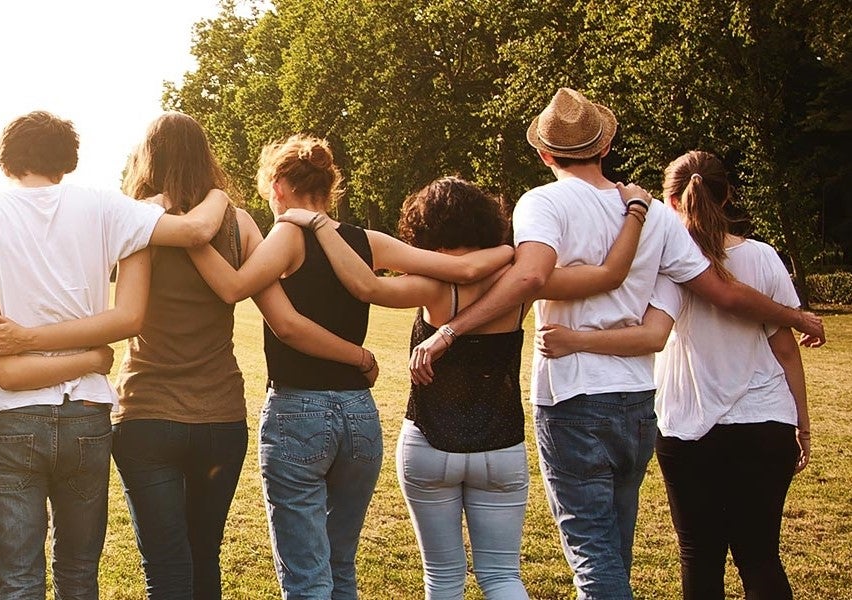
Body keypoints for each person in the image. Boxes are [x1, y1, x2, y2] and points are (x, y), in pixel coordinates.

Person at [408, 88, 825, 599]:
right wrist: (795, 314)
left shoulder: (543, 202)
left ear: (544, 153)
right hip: (635, 402)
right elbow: (724, 292)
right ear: (605, 146)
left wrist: (449, 330)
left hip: (572, 398)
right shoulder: (655, 216)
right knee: (613, 554)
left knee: (594, 558)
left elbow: (528, 279)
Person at [0, 113, 387, 600]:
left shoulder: (138, 226)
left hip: (147, 416)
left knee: (167, 565)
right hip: (220, 420)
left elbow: (111, 302)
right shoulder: (236, 224)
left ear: (146, 159)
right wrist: (357, 356)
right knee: (203, 556)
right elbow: (286, 320)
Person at [274, 173, 648, 599]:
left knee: (444, 578)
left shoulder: (434, 284)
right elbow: (609, 275)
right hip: (501, 446)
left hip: (430, 444)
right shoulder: (519, 280)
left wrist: (322, 226)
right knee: (503, 576)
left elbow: (366, 285)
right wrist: (634, 213)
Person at [186, 135, 513, 599]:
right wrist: (510, 252)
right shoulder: (367, 241)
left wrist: (188, 234)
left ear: (278, 186)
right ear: (329, 185)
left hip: (299, 413)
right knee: (341, 566)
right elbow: (459, 270)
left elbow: (257, 304)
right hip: (360, 416)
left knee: (307, 576)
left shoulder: (286, 235)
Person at [0, 109, 231, 600]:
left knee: (18, 582)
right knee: (79, 576)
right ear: (69, 160)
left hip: (11, 418)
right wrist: (219, 192)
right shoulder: (106, 207)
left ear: (5, 160)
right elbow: (195, 231)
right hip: (85, 411)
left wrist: (26, 337)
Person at [536, 150, 811, 599]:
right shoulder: (763, 258)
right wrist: (802, 422)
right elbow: (784, 351)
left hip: (688, 425)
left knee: (698, 554)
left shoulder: (667, 258)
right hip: (766, 420)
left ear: (671, 199)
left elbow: (653, 334)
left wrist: (575, 338)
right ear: (726, 197)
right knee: (760, 556)